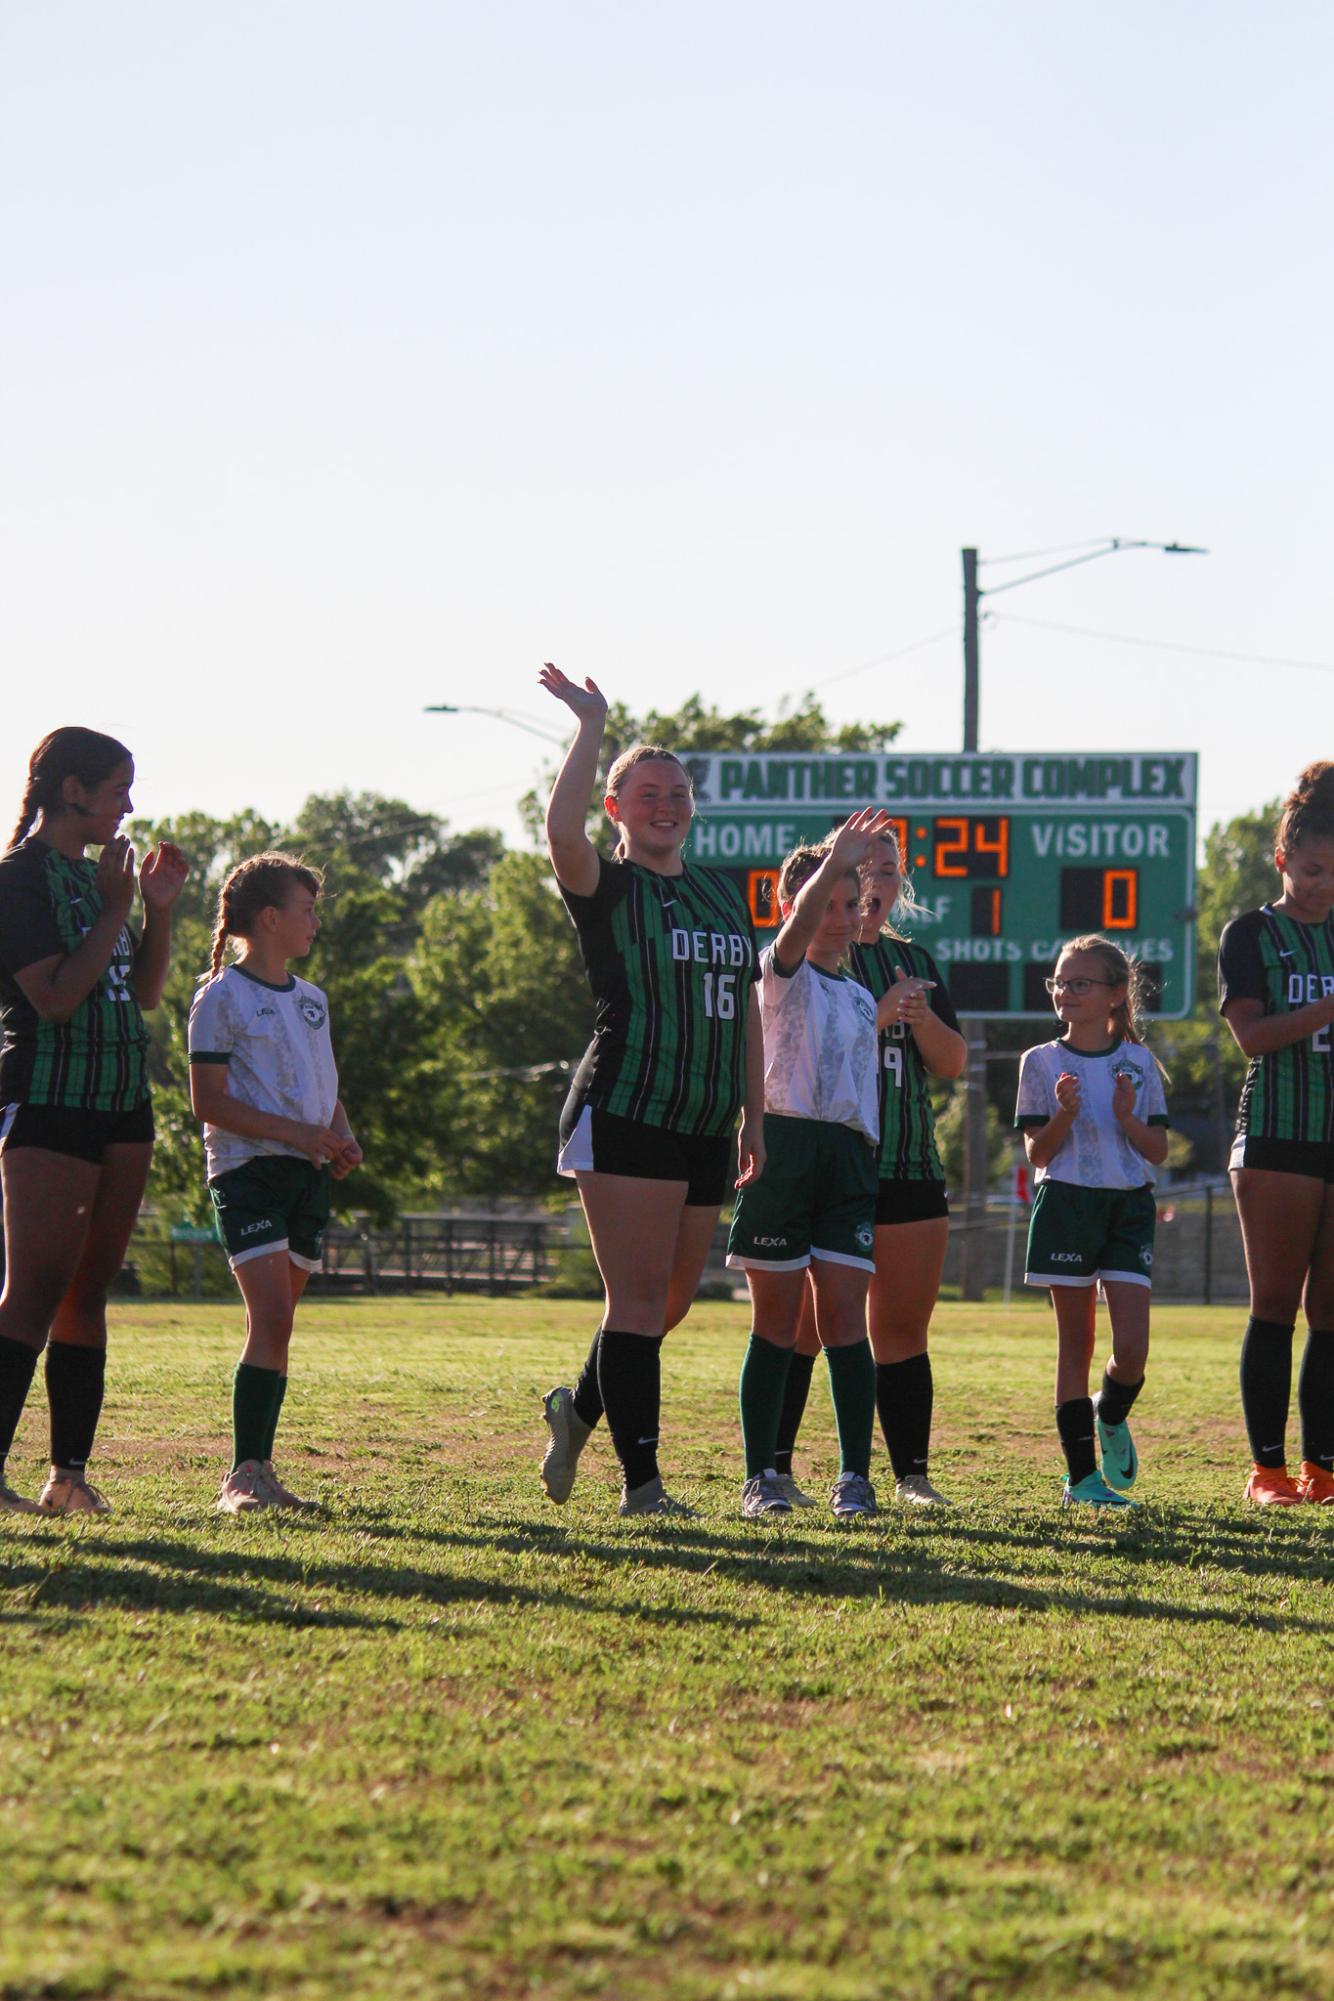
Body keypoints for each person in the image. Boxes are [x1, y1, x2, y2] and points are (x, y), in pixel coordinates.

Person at [536, 664, 764, 1517]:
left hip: (706, 1118)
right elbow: (559, 830)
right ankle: (644, 1487)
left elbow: (742, 1006)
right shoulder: (608, 882)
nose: (667, 801)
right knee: (633, 1301)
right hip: (626, 1104)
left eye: (678, 790)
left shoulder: (720, 894)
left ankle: (578, 1408)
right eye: (647, 791)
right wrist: (591, 726)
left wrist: (754, 1114)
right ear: (618, 807)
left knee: (665, 1303)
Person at [0, 728, 187, 1514]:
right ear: (70, 791)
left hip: (121, 1104)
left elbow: (143, 993)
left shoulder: (96, 878)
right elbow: (53, 997)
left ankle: (67, 1477)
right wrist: (117, 907)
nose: (129, 806)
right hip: (48, 1100)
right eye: (117, 789)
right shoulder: (19, 879)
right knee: (35, 1287)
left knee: (89, 1290)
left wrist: (156, 911)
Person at [771, 831, 966, 1506]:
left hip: (907, 1160)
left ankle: (911, 1474)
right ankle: (776, 1469)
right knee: (805, 1326)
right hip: (830, 1164)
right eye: (863, 869)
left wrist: (916, 1019)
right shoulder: (812, 955)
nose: (875, 883)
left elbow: (951, 1062)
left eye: (887, 870)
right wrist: (881, 1015)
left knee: (903, 1327)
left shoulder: (913, 961)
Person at [728, 813, 892, 1521]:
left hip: (847, 1160)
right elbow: (794, 933)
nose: (838, 915)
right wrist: (834, 865)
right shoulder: (778, 970)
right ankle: (760, 1475)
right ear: (794, 906)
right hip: (785, 1150)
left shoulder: (860, 997)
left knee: (846, 1321)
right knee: (777, 1321)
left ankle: (855, 1477)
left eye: (849, 903)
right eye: (824, 901)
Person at [188, 853, 361, 1514]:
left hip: (306, 1177)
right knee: (273, 1317)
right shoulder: (221, 996)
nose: (315, 920)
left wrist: (339, 1135)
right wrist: (295, 1134)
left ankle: (260, 1469)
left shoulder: (313, 1000)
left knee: (279, 1329)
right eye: (307, 908)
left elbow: (326, 1088)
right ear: (269, 917)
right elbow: (209, 1102)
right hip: (249, 1174)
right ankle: (241, 1477)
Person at [1015, 935, 1170, 1508]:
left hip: (1127, 1207)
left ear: (1114, 994)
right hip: (1066, 1204)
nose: (1066, 992)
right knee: (1074, 1345)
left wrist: (1127, 1117)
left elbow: (1157, 1151)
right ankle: (1081, 1480)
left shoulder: (1139, 1063)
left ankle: (1110, 1414)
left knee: (1131, 1349)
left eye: (1080, 983)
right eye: (1059, 981)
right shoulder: (1040, 1062)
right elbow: (1037, 1154)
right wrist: (1064, 1114)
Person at [1218, 761, 1334, 1505]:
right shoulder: (1252, 932)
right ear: (1283, 858)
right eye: (1314, 869)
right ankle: (1267, 1470)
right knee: (1276, 1305)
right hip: (1276, 1136)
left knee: (1332, 1314)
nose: (1324, 885)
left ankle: (1322, 1468)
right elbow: (1252, 1036)